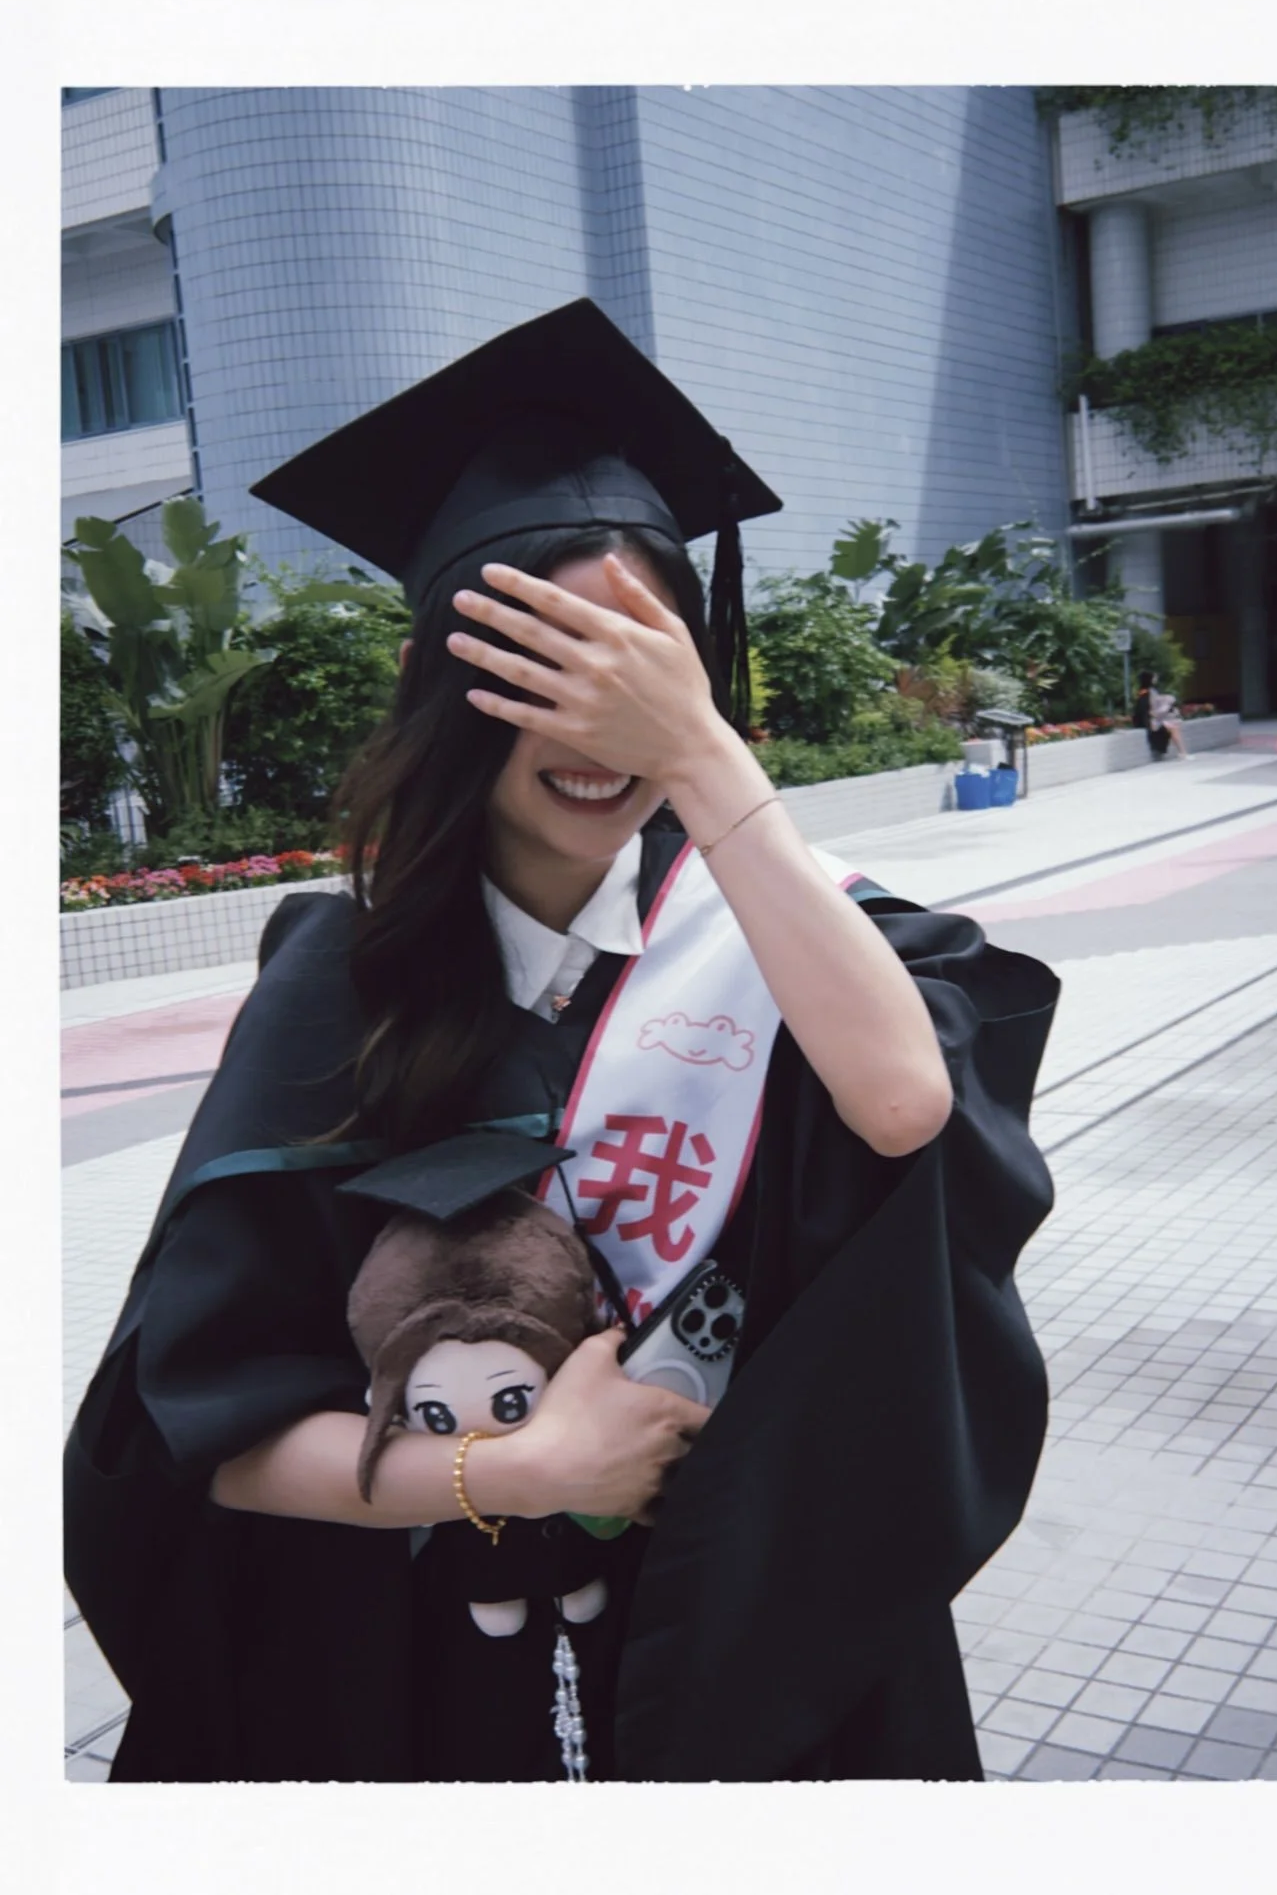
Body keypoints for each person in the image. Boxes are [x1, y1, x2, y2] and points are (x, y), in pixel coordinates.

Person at [63, 299, 1061, 1783]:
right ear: (453, 686)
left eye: (644, 671)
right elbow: (205, 1431)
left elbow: (907, 1104)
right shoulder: (340, 984)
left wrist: (708, 761)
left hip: (745, 1652)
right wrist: (516, 1469)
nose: (602, 729)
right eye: (548, 664)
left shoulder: (788, 943)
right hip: (420, 1681)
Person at [1134, 670, 1188, 758]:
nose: (1156, 679)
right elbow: (1146, 709)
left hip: (1156, 718)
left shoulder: (1152, 690)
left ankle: (1182, 752)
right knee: (1173, 727)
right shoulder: (1145, 692)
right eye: (1153, 677)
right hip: (1150, 720)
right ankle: (1182, 752)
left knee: (1173, 726)